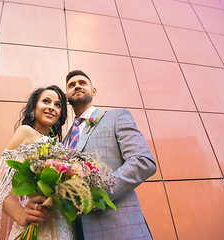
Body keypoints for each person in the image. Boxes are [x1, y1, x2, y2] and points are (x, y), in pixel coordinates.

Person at [64, 70, 157, 240]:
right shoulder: (64, 140)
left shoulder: (117, 116)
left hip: (118, 229)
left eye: (82, 83)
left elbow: (143, 161)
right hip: (75, 231)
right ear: (66, 95)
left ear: (94, 91)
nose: (77, 85)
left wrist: (94, 194)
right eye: (71, 85)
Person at [0, 85, 73, 240]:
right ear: (34, 108)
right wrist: (20, 214)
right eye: (46, 101)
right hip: (37, 225)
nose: (51, 107)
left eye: (58, 105)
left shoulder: (57, 144)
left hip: (61, 225)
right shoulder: (26, 132)